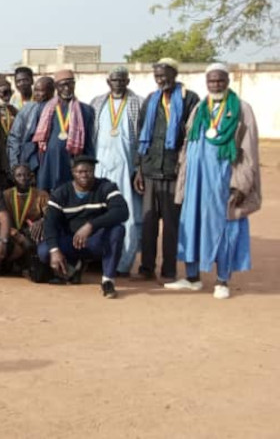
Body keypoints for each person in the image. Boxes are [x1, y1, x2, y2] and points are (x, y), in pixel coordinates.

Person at [166, 63, 261, 299]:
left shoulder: (241, 109)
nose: (216, 84)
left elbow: (249, 152)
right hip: (196, 182)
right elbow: (188, 144)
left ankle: (222, 281)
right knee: (192, 226)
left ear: (227, 81)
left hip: (222, 183)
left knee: (224, 230)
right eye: (211, 81)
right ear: (206, 82)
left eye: (220, 80)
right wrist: (184, 178)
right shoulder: (200, 108)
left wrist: (240, 185)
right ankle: (192, 278)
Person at [134, 58, 201, 282]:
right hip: (151, 170)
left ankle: (169, 270)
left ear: (175, 74)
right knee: (148, 223)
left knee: (171, 227)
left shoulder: (190, 99)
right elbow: (140, 135)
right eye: (157, 76)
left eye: (164, 75)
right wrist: (139, 169)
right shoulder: (151, 100)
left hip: (175, 172)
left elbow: (194, 137)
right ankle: (146, 268)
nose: (161, 80)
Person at [36, 156, 129, 299]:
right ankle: (74, 266)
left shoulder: (106, 187)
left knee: (118, 229)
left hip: (96, 241)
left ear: (94, 171)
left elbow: (122, 211)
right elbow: (49, 223)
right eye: (80, 172)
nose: (84, 175)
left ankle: (108, 281)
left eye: (88, 171)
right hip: (71, 241)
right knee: (44, 251)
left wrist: (91, 225)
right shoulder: (61, 192)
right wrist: (54, 250)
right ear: (73, 172)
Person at [90, 67, 143, 275]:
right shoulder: (97, 103)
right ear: (108, 82)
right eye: (114, 80)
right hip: (100, 167)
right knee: (98, 212)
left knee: (127, 216)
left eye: (122, 80)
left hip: (125, 168)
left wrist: (138, 168)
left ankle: (122, 263)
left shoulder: (137, 103)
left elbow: (141, 138)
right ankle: (98, 260)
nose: (118, 84)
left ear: (128, 81)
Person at [23, 71, 95, 190]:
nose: (67, 88)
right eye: (62, 85)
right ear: (56, 87)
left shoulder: (86, 110)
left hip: (73, 165)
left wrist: (89, 167)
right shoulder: (43, 108)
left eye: (70, 84)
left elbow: (88, 143)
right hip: (47, 165)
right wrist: (33, 166)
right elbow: (30, 140)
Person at [3, 164, 49, 276]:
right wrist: (15, 234)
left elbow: (51, 214)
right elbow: (0, 218)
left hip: (32, 233)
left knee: (34, 241)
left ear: (31, 177)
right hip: (12, 232)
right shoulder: (6, 195)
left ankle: (28, 267)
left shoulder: (41, 195)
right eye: (19, 175)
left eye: (26, 175)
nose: (23, 178)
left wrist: (42, 220)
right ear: (13, 178)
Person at [7, 76, 54, 175]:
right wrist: (14, 164)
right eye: (35, 90)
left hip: (50, 159)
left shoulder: (58, 110)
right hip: (28, 160)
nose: (36, 94)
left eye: (41, 91)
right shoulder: (27, 109)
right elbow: (14, 137)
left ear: (51, 91)